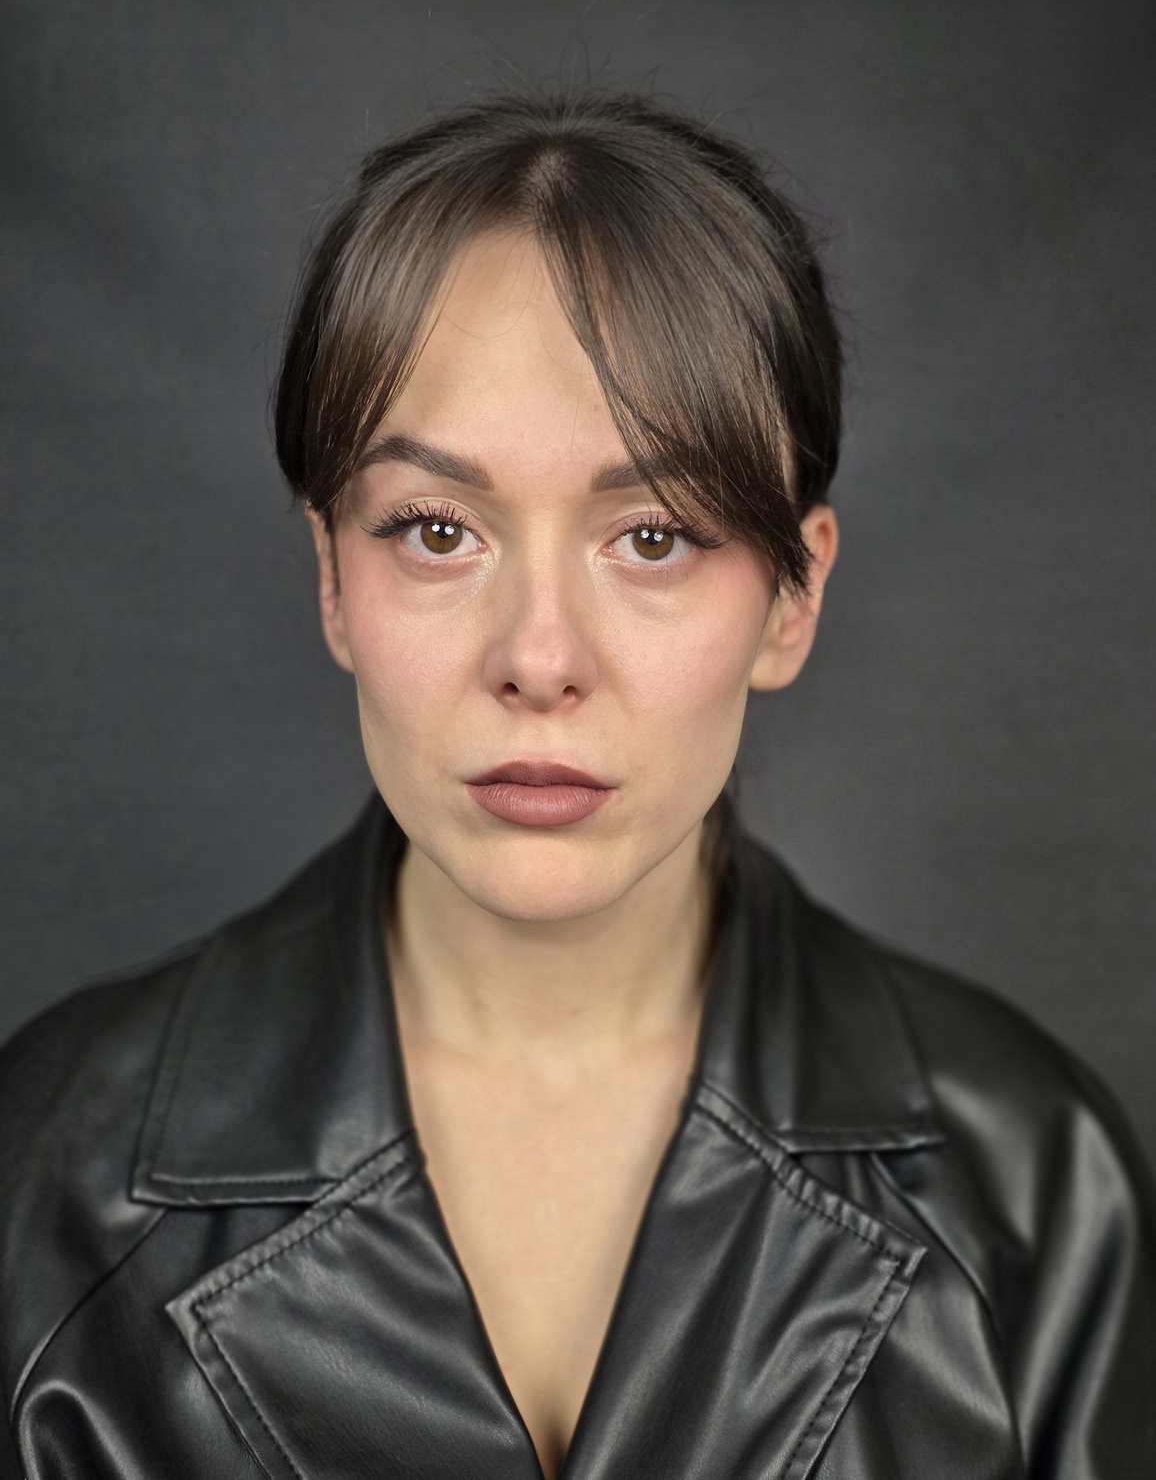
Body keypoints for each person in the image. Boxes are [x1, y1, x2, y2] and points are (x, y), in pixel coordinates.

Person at [0, 93, 1152, 1480]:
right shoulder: (41, 1175)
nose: (539, 659)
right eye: (436, 530)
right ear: (332, 580)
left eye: (654, 535)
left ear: (794, 599)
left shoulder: (1034, 1182)